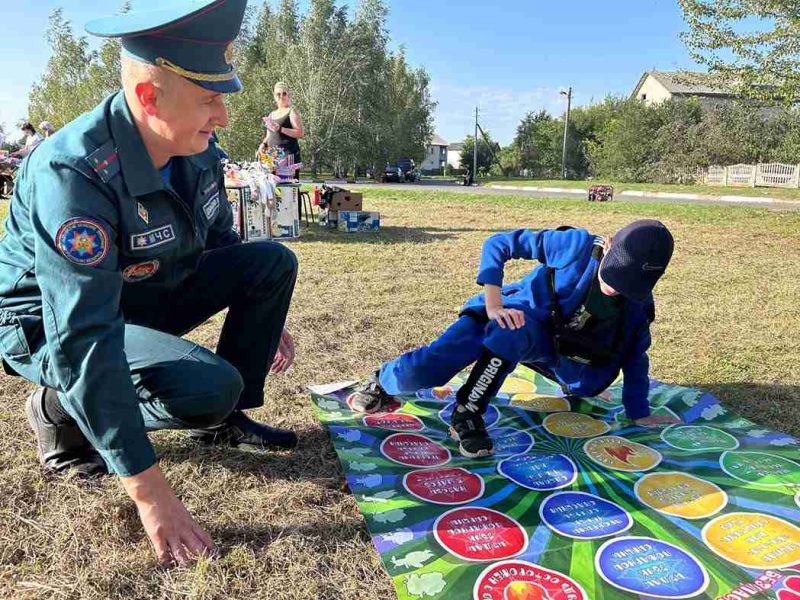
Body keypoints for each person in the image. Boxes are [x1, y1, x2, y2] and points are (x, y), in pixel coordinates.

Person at [0, 0, 299, 567]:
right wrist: (151, 495)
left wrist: (268, 317)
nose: (224, 117)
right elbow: (82, 336)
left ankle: (225, 424)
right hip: (46, 323)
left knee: (271, 262)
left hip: (136, 291)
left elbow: (221, 246)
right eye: (210, 99)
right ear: (148, 96)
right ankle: (59, 407)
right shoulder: (75, 173)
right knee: (209, 387)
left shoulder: (197, 151)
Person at [349, 220, 680, 458]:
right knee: (422, 372)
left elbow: (636, 356)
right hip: (511, 315)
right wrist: (493, 304)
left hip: (553, 347)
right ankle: (384, 380)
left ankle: (466, 412)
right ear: (607, 246)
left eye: (628, 283)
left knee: (585, 384)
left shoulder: (638, 306)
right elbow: (499, 244)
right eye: (613, 273)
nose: (615, 287)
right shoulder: (576, 247)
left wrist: (639, 411)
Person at [258, 81, 304, 177]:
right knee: (271, 187)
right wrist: (263, 144)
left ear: (288, 96)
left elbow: (300, 133)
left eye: (284, 94)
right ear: (274, 97)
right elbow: (269, 135)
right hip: (272, 156)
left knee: (287, 189)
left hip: (288, 156)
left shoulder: (291, 112)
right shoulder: (271, 114)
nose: (281, 96)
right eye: (278, 94)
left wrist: (280, 129)